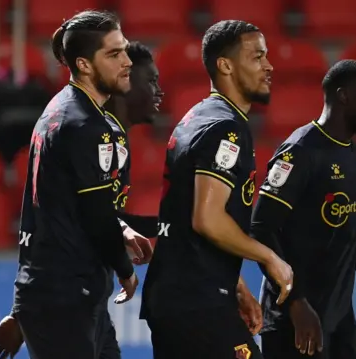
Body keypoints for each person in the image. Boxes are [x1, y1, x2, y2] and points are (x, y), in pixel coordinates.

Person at [0, 11, 155, 359]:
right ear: (84, 64)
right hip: (65, 297)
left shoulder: (61, 111)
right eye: (113, 54)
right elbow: (94, 216)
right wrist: (125, 271)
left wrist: (121, 229)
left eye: (124, 50)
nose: (127, 62)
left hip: (66, 295)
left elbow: (58, 205)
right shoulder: (84, 125)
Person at [140, 20, 293, 359]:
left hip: (182, 295)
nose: (269, 66)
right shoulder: (226, 128)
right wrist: (269, 257)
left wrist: (236, 287)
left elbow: (185, 217)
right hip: (196, 301)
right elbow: (207, 219)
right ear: (225, 65)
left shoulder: (198, 116)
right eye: (257, 57)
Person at [251, 59, 356, 359]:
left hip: (339, 320)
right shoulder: (300, 151)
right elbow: (261, 228)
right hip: (295, 321)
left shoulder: (355, 154)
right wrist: (296, 303)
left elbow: (349, 228)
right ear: (344, 95)